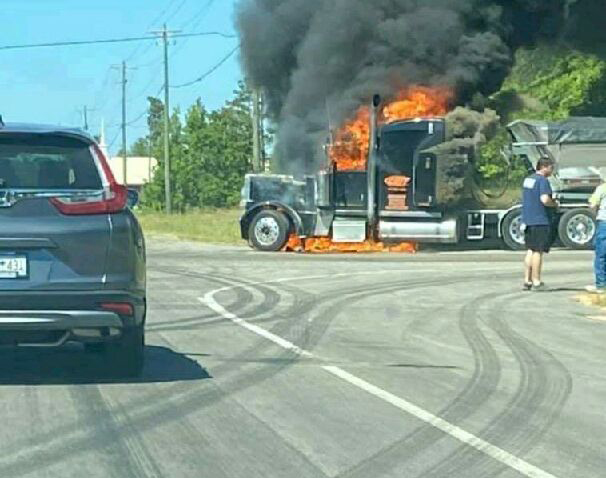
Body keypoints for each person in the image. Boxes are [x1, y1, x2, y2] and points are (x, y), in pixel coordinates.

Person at [522, 157, 558, 291]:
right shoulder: (543, 181)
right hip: (540, 219)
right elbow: (544, 199)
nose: (551, 171)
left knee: (530, 250)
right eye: (550, 168)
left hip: (528, 219)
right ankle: (537, 281)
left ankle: (527, 280)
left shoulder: (528, 179)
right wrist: (554, 204)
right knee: (538, 251)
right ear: (544, 167)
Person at [586, 172, 606, 294]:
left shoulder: (602, 188)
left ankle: (601, 284)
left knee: (601, 254)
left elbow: (592, 205)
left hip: (604, 222)